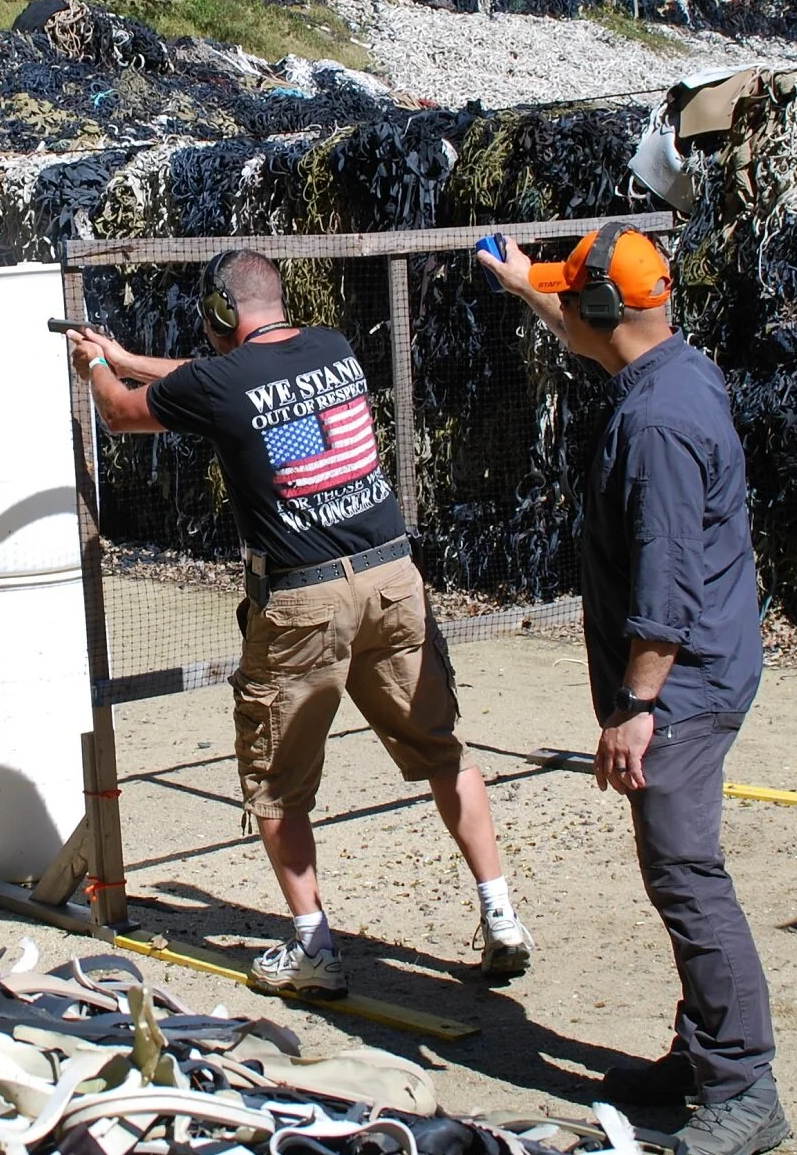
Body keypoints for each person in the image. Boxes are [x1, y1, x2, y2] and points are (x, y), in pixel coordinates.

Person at [66, 249, 533, 1002]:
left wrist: (95, 367)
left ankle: (315, 949)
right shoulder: (333, 347)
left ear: (222, 312)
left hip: (306, 601)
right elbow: (213, 377)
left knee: (276, 787)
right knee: (444, 750)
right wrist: (124, 353)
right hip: (391, 577)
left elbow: (122, 414)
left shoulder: (221, 380)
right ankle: (501, 913)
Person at [479, 224, 787, 1155]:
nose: (561, 306)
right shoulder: (675, 370)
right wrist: (518, 278)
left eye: (569, 297)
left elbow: (666, 589)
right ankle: (703, 1055)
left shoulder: (655, 425)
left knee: (687, 875)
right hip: (709, 663)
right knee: (679, 867)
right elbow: (579, 317)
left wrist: (633, 708)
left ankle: (743, 1085)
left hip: (680, 684)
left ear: (606, 312)